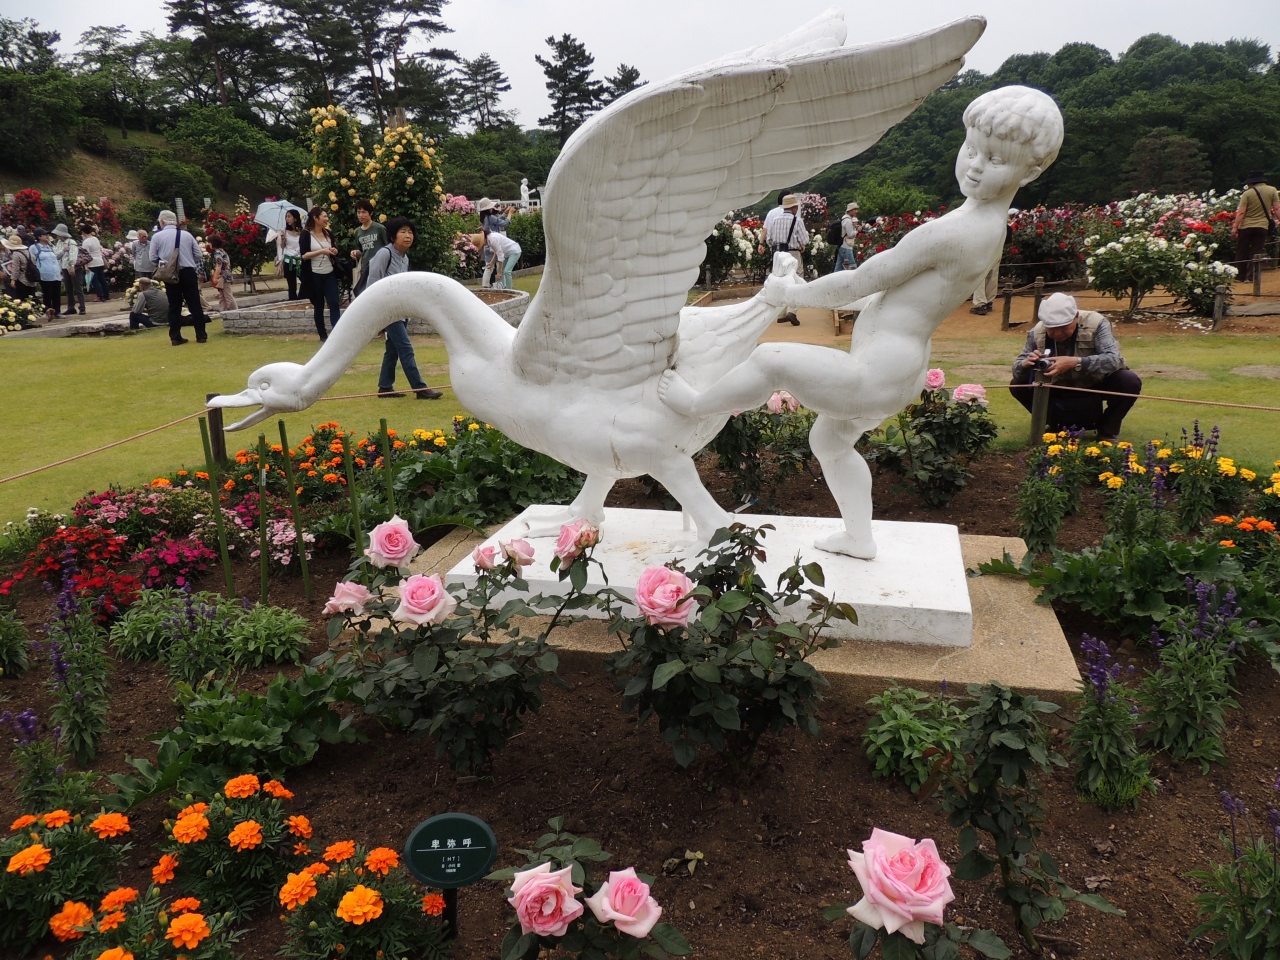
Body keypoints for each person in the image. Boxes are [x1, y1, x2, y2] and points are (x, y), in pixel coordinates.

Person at [658, 86, 1065, 559]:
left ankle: (695, 406)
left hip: (878, 371)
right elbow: (891, 295)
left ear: (1031, 171)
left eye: (995, 159)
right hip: (898, 366)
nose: (975, 165)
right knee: (829, 441)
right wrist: (809, 292)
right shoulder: (987, 225)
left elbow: (862, 280)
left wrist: (791, 294)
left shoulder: (955, 231)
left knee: (771, 359)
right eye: (972, 149)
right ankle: (858, 538)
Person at [1009, 292, 1141, 440]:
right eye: (1052, 328)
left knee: (1129, 380)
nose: (1058, 333)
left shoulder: (1097, 323)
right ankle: (1054, 423)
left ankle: (1107, 430)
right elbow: (1017, 371)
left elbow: (1113, 360)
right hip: (1057, 386)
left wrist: (1076, 362)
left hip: (1095, 382)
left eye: (1064, 326)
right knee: (1017, 385)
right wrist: (1025, 364)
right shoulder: (1037, 331)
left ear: (1076, 317)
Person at [362, 216, 443, 400]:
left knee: (392, 350)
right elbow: (372, 285)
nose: (408, 236)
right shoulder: (385, 254)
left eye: (410, 232)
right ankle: (420, 388)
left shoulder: (404, 258)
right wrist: (375, 316)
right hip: (388, 312)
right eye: (403, 232)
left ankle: (385, 387)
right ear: (393, 236)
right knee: (406, 348)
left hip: (401, 312)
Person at [148, 209, 209, 345]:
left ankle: (175, 337)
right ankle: (201, 335)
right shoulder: (186, 235)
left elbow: (152, 257)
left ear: (162, 221)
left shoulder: (157, 237)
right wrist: (187, 259)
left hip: (170, 273)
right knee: (195, 304)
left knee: (174, 305)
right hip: (188, 271)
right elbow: (198, 254)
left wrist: (166, 262)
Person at [300, 206, 341, 340]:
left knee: (334, 302)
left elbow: (333, 248)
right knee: (319, 305)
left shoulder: (328, 233)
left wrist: (334, 251)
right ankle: (322, 335)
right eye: (324, 216)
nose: (327, 219)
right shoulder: (306, 234)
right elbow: (304, 255)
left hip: (329, 272)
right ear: (315, 218)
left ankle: (337, 333)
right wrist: (322, 251)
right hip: (314, 274)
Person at [1233, 171, 1278, 283]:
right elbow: (1277, 208)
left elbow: (1241, 212)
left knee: (1242, 251)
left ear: (1251, 182)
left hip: (1246, 226)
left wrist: (1235, 228)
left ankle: (1240, 276)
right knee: (1256, 251)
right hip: (1262, 226)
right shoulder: (1272, 190)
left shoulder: (1247, 194)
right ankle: (1250, 277)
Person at [970, 208, 1017, 315]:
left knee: (980, 277)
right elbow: (1008, 238)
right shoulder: (1002, 225)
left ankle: (980, 304)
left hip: (982, 251)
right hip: (996, 250)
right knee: (992, 276)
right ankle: (989, 301)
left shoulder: (981, 225)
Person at [350, 199, 388, 296]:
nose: (361, 215)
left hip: (380, 267)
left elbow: (389, 247)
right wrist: (355, 253)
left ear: (370, 213)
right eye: (358, 212)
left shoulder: (379, 228)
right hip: (366, 269)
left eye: (364, 212)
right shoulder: (357, 231)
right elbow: (361, 251)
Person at [477, 198, 511, 288]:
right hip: (494, 243)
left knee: (489, 267)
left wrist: (505, 213)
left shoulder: (484, 218)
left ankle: (485, 285)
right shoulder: (490, 217)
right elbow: (504, 223)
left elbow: (497, 220)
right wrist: (510, 214)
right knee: (499, 264)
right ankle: (500, 285)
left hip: (487, 245)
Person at [52, 224, 85, 316]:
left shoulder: (71, 242)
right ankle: (71, 307)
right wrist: (63, 250)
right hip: (64, 267)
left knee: (78, 288)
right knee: (68, 288)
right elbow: (57, 255)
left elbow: (73, 254)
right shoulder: (59, 243)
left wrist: (72, 265)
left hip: (74, 267)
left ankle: (82, 307)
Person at [31, 229, 62, 318]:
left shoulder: (50, 246)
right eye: (45, 235)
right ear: (39, 236)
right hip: (44, 274)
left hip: (55, 273)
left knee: (57, 294)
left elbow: (56, 257)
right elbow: (32, 260)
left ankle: (57, 312)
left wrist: (63, 251)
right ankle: (48, 312)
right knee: (48, 294)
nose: (47, 236)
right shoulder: (34, 247)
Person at [276, 210, 303, 300]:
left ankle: (301, 298)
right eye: (286, 217)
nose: (287, 219)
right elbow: (282, 246)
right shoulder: (284, 231)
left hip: (300, 260)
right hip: (289, 260)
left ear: (295, 218)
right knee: (292, 286)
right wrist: (283, 239)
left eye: (289, 216)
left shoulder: (301, 231)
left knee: (306, 281)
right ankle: (293, 301)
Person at [207, 235, 237, 312]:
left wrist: (215, 277)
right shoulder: (222, 251)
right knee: (223, 296)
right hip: (226, 275)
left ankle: (235, 311)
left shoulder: (217, 253)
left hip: (223, 277)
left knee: (227, 296)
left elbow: (219, 265)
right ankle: (223, 311)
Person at [80, 223, 109, 301]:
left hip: (92, 263)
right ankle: (106, 295)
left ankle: (100, 295)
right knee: (102, 279)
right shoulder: (95, 239)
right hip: (99, 261)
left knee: (94, 280)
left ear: (83, 232)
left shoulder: (86, 242)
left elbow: (85, 255)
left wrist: (85, 266)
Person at [2, 233, 35, 301]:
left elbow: (15, 268)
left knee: (20, 299)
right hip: (30, 279)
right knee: (30, 298)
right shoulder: (28, 252)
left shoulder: (16, 254)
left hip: (21, 280)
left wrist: (13, 280)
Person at [835, 200, 860, 272]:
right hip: (846, 246)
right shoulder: (848, 221)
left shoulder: (844, 219)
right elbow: (850, 234)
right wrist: (857, 231)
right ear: (850, 210)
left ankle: (832, 279)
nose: (856, 211)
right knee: (852, 266)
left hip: (842, 246)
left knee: (838, 268)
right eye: (855, 210)